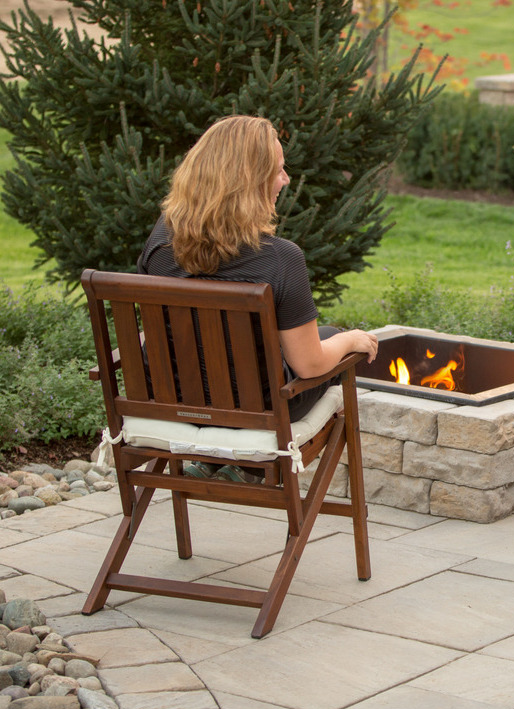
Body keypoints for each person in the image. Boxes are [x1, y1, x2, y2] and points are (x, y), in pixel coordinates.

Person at [137, 115, 379, 478]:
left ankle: (213, 464)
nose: (286, 179)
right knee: (332, 342)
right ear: (249, 183)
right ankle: (250, 470)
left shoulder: (160, 240)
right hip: (260, 411)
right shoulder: (281, 258)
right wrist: (351, 340)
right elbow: (309, 366)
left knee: (251, 352)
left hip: (175, 399)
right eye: (278, 171)